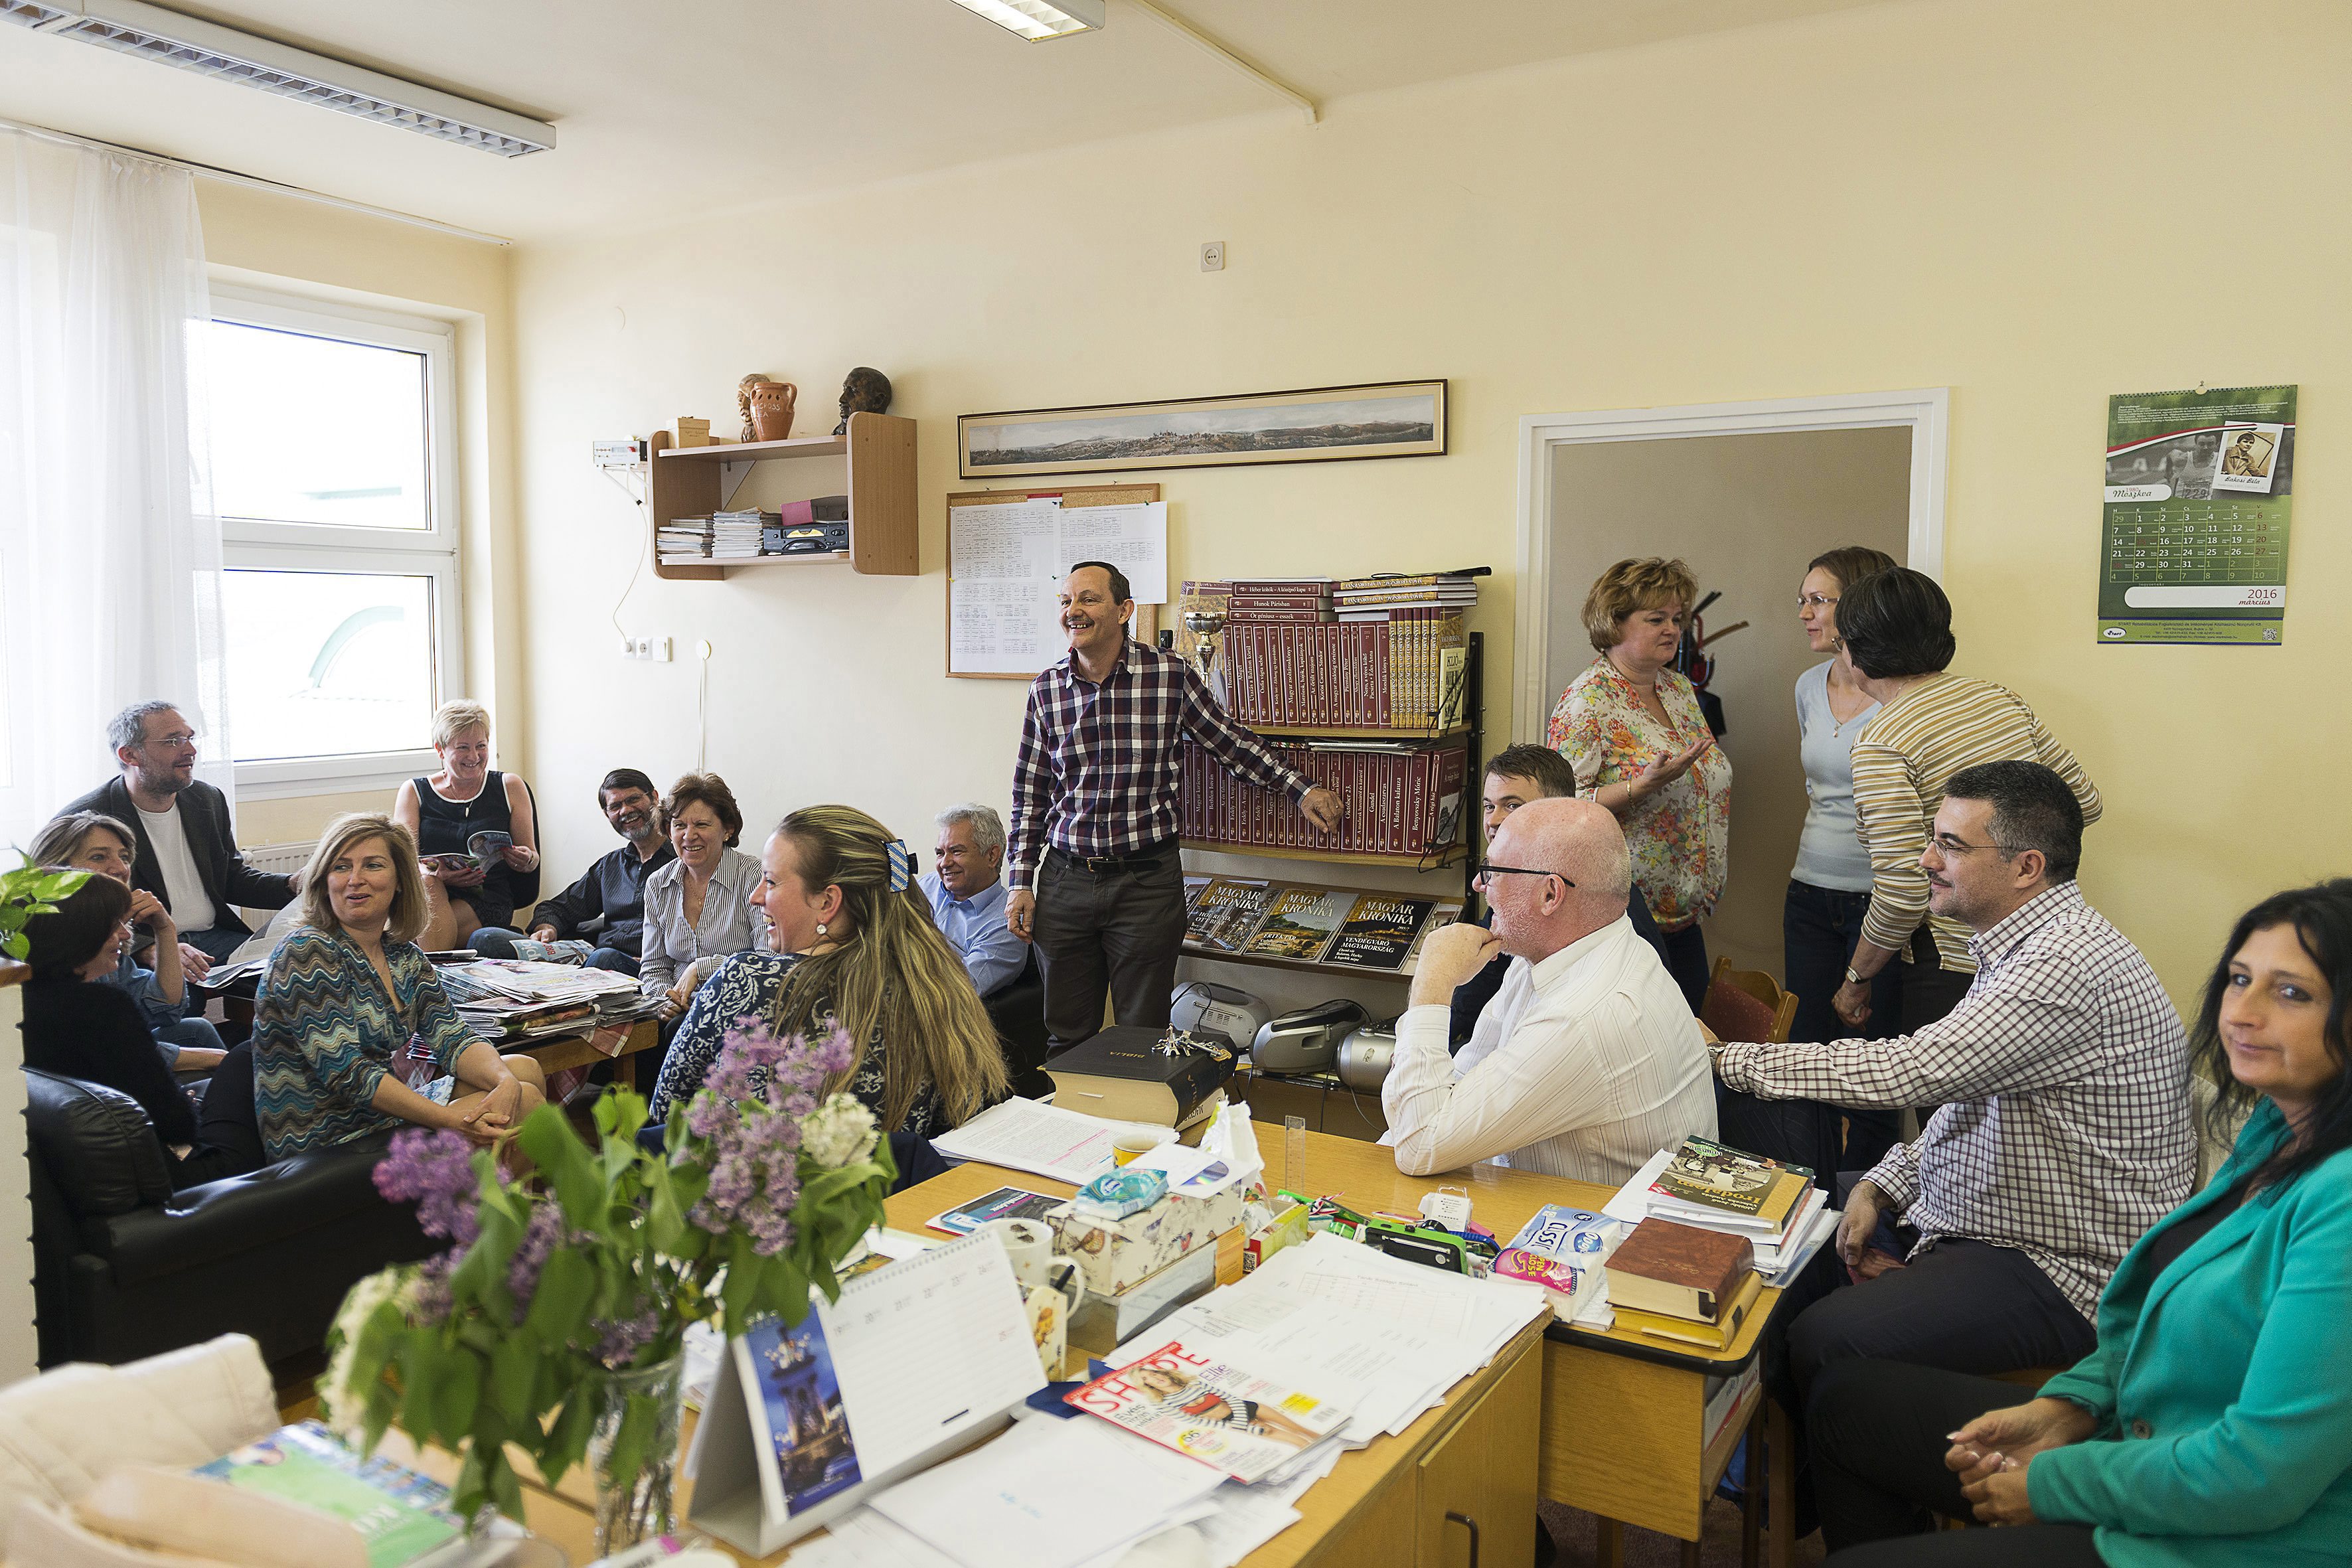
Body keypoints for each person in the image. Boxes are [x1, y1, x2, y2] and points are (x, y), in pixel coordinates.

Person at [1808, 880, 2352, 1566]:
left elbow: (2261, 1475)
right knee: (1846, 1398)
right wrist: (2066, 1407)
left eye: (2292, 993)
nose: (2243, 1012)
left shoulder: (2341, 1201)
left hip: (2227, 1539)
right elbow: (2161, 1334)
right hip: (2146, 1444)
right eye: (2240, 979)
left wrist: (2053, 1482)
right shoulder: (2280, 1127)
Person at [1713, 762, 2194, 1414]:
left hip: (2061, 1267)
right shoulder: (2020, 942)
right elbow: (1970, 1094)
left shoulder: (2061, 962)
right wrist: (1886, 1181)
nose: (1925, 859)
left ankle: (1859, 1467)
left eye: (1952, 846)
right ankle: (1826, 1457)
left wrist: (1726, 1060)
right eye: (1933, 837)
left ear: (2027, 867)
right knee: (1791, 1231)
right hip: (1993, 1220)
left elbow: (1909, 1070)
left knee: (1821, 1335)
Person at [1006, 562, 1342, 1052]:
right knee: (1066, 1035)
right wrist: (1020, 881)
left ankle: (1139, 1130)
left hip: (1145, 884)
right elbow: (1029, 795)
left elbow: (1230, 744)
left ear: (1124, 610)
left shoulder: (1168, 676)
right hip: (1065, 882)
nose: (1073, 611)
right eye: (1065, 602)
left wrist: (1300, 789)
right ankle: (1077, 1130)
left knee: (1142, 1037)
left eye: (1088, 599)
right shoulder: (1045, 690)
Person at [1383, 797, 1718, 1183]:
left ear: (1549, 895)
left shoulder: (1586, 1016)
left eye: (1492, 871)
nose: (1480, 884)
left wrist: (1432, 982)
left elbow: (1420, 1146)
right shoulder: (1560, 953)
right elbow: (1462, 1077)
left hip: (1606, 1235)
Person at [1830, 568, 2100, 1037]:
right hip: (2043, 936)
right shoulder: (1997, 699)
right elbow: (2084, 804)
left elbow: (1902, 890)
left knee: (1949, 1112)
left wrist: (1856, 977)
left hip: (1956, 956)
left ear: (1856, 650)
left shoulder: (1882, 741)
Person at [649, 805, 1009, 1136]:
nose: (756, 896)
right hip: (896, 1203)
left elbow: (667, 1115)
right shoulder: (938, 988)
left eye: (771, 882)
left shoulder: (747, 980)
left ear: (827, 902)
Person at [252, 813, 546, 1160]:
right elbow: (348, 1074)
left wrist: (503, 1082)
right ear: (324, 879)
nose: (355, 880)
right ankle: (503, 1209)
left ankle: (501, 1205)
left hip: (378, 1116)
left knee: (521, 1073)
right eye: (341, 867)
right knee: (525, 1103)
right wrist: (449, 1120)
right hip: (322, 1138)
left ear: (401, 881)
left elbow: (454, 1037)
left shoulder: (403, 955)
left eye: (373, 866)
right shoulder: (305, 952)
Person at [1547, 557, 1731, 1012]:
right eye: (1655, 619)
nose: (1672, 629)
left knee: (1691, 1042)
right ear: (1614, 623)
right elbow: (1560, 811)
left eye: (1676, 619)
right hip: (1622, 918)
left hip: (1683, 912)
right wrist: (1640, 787)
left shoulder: (1677, 689)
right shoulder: (1586, 700)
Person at [17, 872, 264, 1187]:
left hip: (95, 1167)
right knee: (244, 1058)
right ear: (77, 932)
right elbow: (177, 1126)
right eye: (113, 925)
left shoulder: (23, 1001)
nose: (125, 935)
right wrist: (188, 1103)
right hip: (182, 1171)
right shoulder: (102, 1008)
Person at [1782, 545, 1903, 1178]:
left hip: (1882, 901)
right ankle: (1811, 1197)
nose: (1804, 612)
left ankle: (1866, 1206)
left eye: (1818, 600)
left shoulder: (1901, 695)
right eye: (1801, 599)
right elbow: (1820, 788)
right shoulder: (1807, 686)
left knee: (1873, 1065)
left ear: (1856, 606)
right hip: (1808, 892)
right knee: (1806, 1056)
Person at [1449, 744, 1669, 1048]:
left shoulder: (1609, 902)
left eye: (1513, 806)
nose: (1493, 820)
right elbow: (1475, 999)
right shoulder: (1513, 883)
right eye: (1489, 806)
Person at [62, 699, 295, 969]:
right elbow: (75, 908)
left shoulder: (207, 799)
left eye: (190, 738)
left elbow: (230, 879)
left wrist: (291, 884)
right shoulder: (87, 818)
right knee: (176, 996)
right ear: (130, 755)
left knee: (289, 972)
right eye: (173, 741)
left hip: (214, 935)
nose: (191, 750)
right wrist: (147, 949)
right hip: (143, 940)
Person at [28, 811, 228, 1068]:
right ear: (57, 869)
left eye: (124, 857)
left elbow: (167, 1010)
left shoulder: (106, 934)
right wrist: (217, 1059)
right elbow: (105, 1047)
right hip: (80, 1067)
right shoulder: (54, 940)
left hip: (112, 1048)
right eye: (99, 857)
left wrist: (165, 929)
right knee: (225, 1061)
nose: (121, 869)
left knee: (197, 1030)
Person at [471, 769, 674, 973]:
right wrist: (547, 927)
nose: (626, 810)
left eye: (633, 799)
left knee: (604, 958)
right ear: (607, 814)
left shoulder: (682, 862)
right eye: (615, 806)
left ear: (654, 798)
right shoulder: (610, 865)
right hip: (590, 956)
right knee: (485, 939)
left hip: (639, 966)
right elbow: (557, 908)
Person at [394, 700, 542, 952]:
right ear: (440, 750)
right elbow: (402, 860)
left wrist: (526, 859)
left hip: (488, 897)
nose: (474, 757)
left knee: (406, 937)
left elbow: (532, 857)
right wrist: (438, 874)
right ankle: (436, 978)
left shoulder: (510, 786)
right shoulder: (414, 791)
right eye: (463, 748)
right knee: (427, 885)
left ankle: (429, 980)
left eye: (481, 746)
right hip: (428, 892)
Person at [637, 772, 768, 1012]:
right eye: (679, 825)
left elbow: (768, 959)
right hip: (677, 1006)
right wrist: (665, 1001)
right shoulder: (658, 883)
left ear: (727, 830)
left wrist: (703, 967)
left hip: (736, 1003)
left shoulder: (754, 875)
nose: (689, 836)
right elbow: (654, 968)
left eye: (701, 824)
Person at [921, 803, 1027, 998]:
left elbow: (956, 990)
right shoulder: (925, 886)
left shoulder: (1006, 925)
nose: (945, 863)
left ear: (992, 856)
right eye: (940, 853)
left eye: (956, 851)